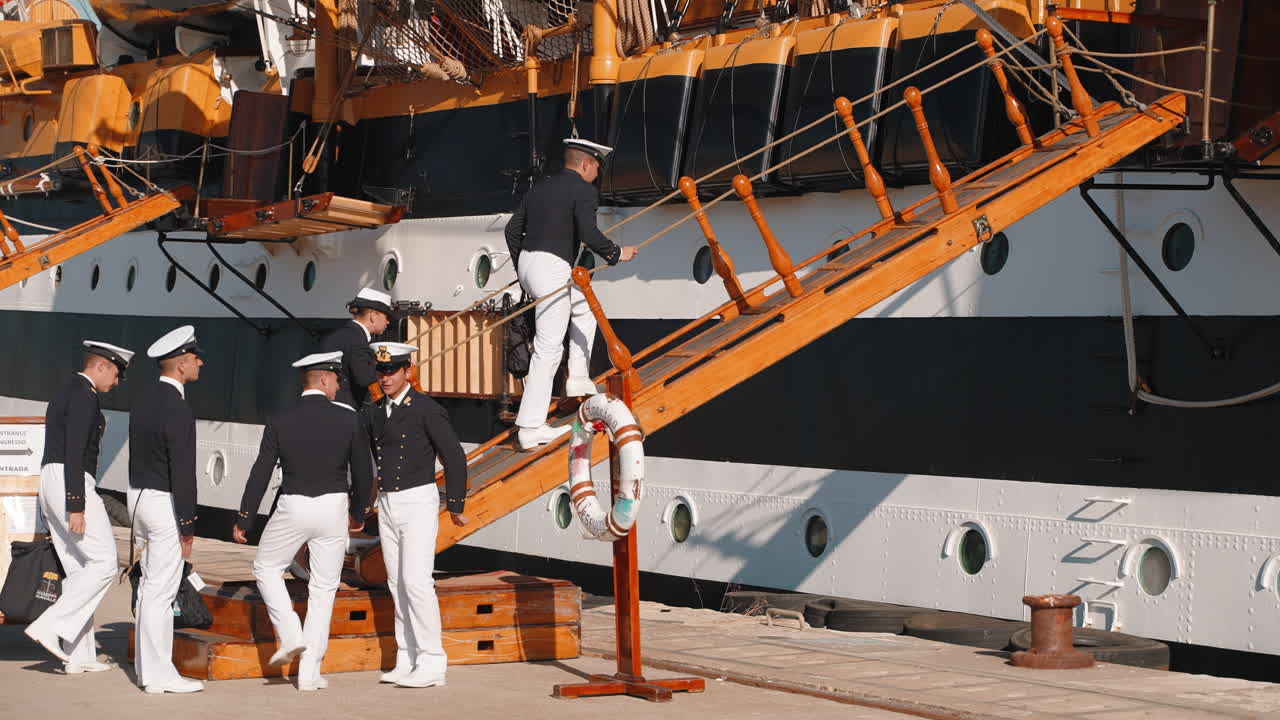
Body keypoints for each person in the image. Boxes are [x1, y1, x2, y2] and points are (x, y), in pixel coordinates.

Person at [233, 351, 374, 692]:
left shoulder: (280, 418)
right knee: (324, 589)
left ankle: (291, 633)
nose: (339, 386)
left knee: (266, 569)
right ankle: (310, 674)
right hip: (333, 507)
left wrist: (245, 518)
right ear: (324, 379)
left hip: (294, 504)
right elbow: (364, 473)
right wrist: (358, 513)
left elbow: (261, 471)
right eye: (337, 380)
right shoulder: (349, 418)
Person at [503, 138, 639, 450]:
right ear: (586, 165)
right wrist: (618, 253)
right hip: (552, 267)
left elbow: (512, 230)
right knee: (548, 349)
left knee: (584, 305)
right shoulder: (583, 190)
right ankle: (530, 428)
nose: (597, 176)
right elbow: (589, 234)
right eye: (597, 170)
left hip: (528, 264)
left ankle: (577, 376)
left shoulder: (540, 186)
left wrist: (526, 270)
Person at [361, 342, 467, 688]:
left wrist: (455, 505)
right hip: (389, 503)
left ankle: (433, 659)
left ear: (408, 371)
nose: (386, 377)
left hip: (418, 501)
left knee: (417, 581)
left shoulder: (426, 409)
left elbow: (453, 456)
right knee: (395, 582)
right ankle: (407, 656)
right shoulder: (376, 411)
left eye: (392, 371)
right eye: (381, 371)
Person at [25, 340, 133, 672]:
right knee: (104, 563)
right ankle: (51, 625)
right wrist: (77, 503)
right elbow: (74, 449)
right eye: (116, 375)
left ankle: (77, 656)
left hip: (51, 478)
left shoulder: (65, 391)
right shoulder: (85, 396)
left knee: (77, 568)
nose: (116, 383)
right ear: (101, 366)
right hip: (71, 480)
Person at [128, 325, 205, 694]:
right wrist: (187, 524)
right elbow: (183, 471)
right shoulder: (178, 406)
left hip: (138, 496)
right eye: (195, 358)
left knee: (148, 589)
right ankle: (160, 675)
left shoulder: (144, 400)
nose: (200, 363)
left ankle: (148, 671)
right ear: (181, 364)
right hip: (163, 502)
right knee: (161, 591)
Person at [320, 287, 392, 408]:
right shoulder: (357, 340)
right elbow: (364, 377)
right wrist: (388, 367)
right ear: (373, 315)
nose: (388, 322)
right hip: (344, 409)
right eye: (387, 317)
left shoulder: (337, 335)